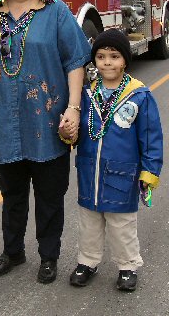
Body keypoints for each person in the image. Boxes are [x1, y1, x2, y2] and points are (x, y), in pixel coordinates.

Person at [0, 0, 91, 283]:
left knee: (50, 196)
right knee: (11, 196)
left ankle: (49, 256)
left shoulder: (56, 12)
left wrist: (73, 107)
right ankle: (13, 251)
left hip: (48, 120)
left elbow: (75, 61)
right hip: (5, 124)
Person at [60, 29, 163, 292]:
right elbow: (77, 130)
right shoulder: (85, 94)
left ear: (125, 61)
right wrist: (68, 134)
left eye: (114, 56)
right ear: (94, 60)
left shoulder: (139, 96)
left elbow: (151, 138)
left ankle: (127, 267)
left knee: (122, 225)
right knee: (89, 223)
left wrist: (149, 172)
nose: (107, 62)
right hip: (89, 173)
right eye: (101, 56)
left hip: (122, 176)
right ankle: (87, 262)